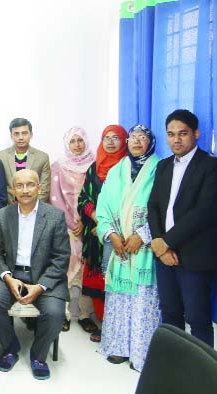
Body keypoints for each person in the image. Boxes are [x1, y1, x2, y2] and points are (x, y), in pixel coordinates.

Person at [0, 169, 70, 380]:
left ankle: (38, 356)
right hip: (12, 275)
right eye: (19, 186)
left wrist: (40, 286)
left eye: (30, 184)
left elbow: (61, 258)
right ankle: (11, 347)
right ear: (13, 190)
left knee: (55, 313)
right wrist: (6, 277)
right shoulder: (4, 215)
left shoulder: (54, 216)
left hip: (44, 276)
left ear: (39, 188)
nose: (25, 190)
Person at [148, 109, 217, 347]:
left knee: (198, 319)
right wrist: (158, 243)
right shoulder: (164, 166)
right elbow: (153, 206)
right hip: (164, 257)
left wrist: (166, 242)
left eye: (183, 133)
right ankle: (173, 371)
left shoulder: (210, 166)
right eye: (170, 134)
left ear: (196, 134)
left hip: (195, 257)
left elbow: (204, 212)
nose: (176, 140)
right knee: (170, 316)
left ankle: (203, 380)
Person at [96, 125, 160, 371]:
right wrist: (112, 235)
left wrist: (142, 235)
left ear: (150, 142)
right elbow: (103, 206)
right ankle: (119, 348)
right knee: (120, 298)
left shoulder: (160, 169)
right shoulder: (116, 171)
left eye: (142, 138)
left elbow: (164, 209)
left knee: (143, 301)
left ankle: (142, 353)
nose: (136, 141)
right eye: (133, 137)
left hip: (145, 247)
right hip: (119, 245)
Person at [77, 125, 127, 343]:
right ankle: (105, 324)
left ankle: (117, 326)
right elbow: (84, 199)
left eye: (116, 138)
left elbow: (130, 204)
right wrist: (99, 221)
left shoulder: (129, 168)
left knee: (116, 279)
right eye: (106, 137)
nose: (111, 142)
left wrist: (108, 226)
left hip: (121, 234)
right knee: (97, 280)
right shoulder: (94, 167)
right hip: (96, 231)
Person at [49, 127, 96, 334]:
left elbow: (98, 196)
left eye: (80, 140)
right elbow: (54, 198)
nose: (77, 145)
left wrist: (86, 221)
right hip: (66, 228)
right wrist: (71, 222)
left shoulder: (96, 164)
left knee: (88, 269)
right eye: (73, 141)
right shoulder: (58, 166)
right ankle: (64, 313)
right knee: (65, 268)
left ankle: (85, 315)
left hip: (91, 226)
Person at [0, 118, 51, 204]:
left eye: (24, 133)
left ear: (31, 135)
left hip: (34, 208)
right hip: (7, 208)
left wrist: (31, 207)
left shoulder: (42, 157)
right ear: (11, 136)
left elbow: (44, 189)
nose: (20, 137)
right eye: (16, 134)